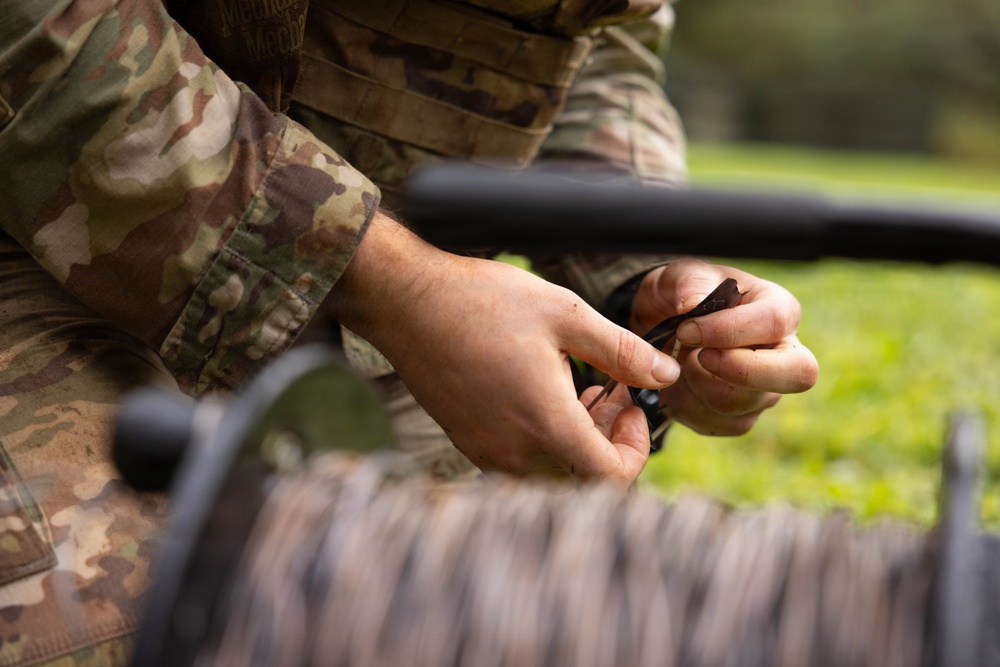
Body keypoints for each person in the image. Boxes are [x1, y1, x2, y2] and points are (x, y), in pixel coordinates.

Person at [0, 0, 817, 664]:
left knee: (517, 619)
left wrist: (639, 275)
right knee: (141, 618)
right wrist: (392, 282)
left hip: (393, 309)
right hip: (36, 224)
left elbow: (600, 46)